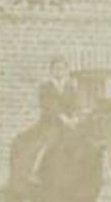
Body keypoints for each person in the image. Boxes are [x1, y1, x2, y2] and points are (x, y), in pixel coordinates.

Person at [28, 58, 80, 187]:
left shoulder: (70, 87)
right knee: (48, 142)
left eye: (62, 68)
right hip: (49, 122)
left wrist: (74, 117)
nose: (59, 71)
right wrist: (62, 117)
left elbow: (74, 104)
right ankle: (36, 171)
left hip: (68, 123)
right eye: (56, 68)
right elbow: (48, 105)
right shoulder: (45, 87)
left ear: (66, 71)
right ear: (51, 71)